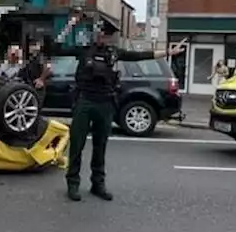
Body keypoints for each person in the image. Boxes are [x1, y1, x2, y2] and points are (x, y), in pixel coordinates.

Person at [49, 12, 187, 201]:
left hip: (105, 103)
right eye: (100, 34)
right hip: (85, 102)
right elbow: (55, 47)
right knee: (77, 146)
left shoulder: (114, 53)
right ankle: (73, 184)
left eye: (106, 35)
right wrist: (71, 24)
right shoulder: (84, 49)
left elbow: (141, 55)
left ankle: (98, 184)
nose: (103, 38)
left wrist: (168, 53)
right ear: (95, 34)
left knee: (101, 146)